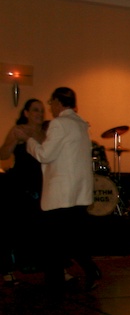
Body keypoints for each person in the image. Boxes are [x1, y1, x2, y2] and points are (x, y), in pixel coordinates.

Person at [17, 87, 100, 292]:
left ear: (57, 102)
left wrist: (29, 141)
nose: (50, 107)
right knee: (71, 238)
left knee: (53, 240)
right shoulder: (81, 124)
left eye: (50, 102)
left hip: (61, 193)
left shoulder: (59, 124)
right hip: (79, 191)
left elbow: (45, 155)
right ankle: (88, 271)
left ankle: (56, 282)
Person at [0, 98, 47, 283]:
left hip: (40, 184)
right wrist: (13, 142)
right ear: (26, 113)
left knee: (41, 229)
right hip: (19, 184)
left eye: (42, 111)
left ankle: (45, 267)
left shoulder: (45, 133)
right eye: (35, 110)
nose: (40, 114)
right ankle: (7, 269)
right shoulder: (19, 130)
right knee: (13, 228)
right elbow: (3, 154)